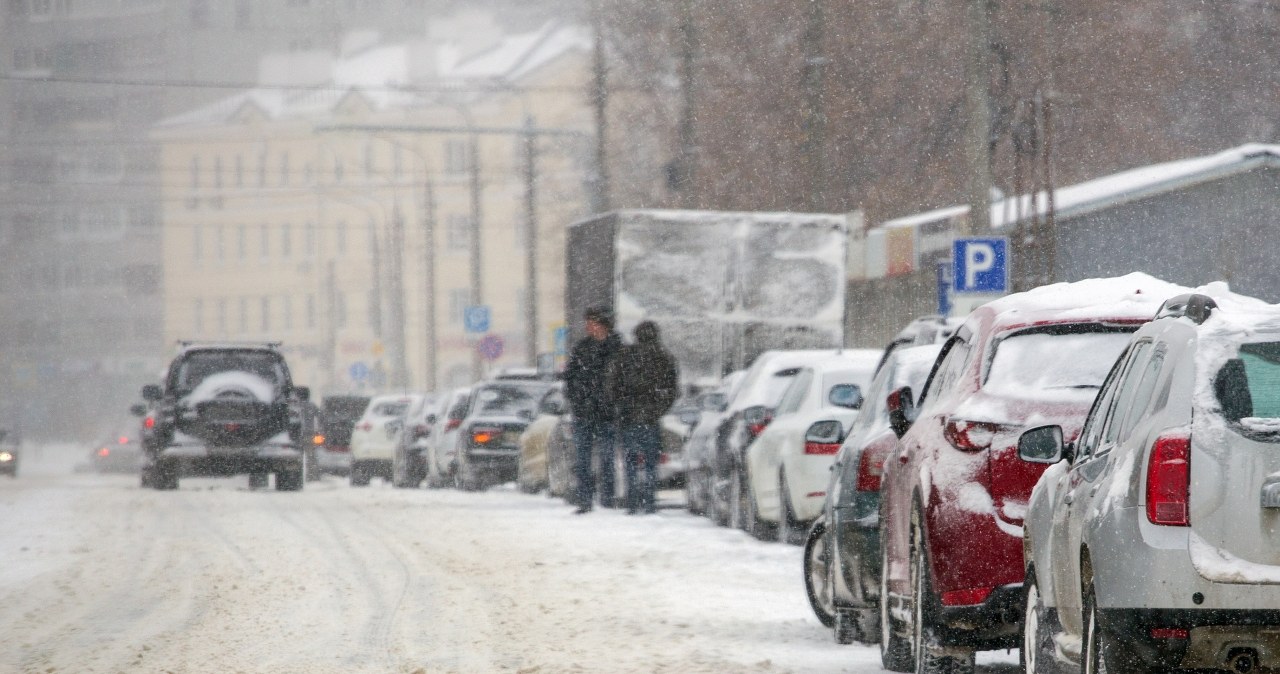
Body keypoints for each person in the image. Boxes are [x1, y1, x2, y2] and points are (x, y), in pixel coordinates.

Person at [609, 320, 679, 515]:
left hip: (628, 416)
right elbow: (672, 390)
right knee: (650, 462)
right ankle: (649, 502)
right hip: (651, 418)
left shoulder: (626, 356)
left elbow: (613, 385)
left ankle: (632, 502)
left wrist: (621, 406)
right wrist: (658, 409)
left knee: (631, 461)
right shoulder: (664, 357)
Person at [564, 306, 623, 514]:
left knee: (607, 458)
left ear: (602, 324)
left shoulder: (617, 348)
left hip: (606, 414)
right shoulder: (582, 348)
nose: (588, 326)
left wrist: (613, 402)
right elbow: (570, 378)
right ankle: (584, 499)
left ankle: (607, 499)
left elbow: (621, 382)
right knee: (583, 459)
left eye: (592, 322)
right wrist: (577, 400)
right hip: (584, 413)